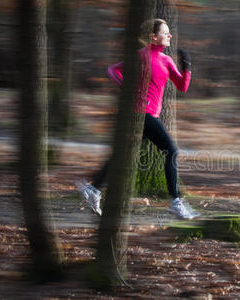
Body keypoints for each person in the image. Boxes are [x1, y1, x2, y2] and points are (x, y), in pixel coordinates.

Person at [77, 18, 199, 220]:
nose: (169, 36)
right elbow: (112, 70)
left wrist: (186, 66)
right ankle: (176, 203)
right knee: (172, 151)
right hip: (143, 114)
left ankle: (93, 189)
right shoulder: (141, 56)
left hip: (148, 116)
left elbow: (182, 86)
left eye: (169, 32)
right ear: (153, 36)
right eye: (165, 32)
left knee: (123, 155)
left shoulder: (167, 60)